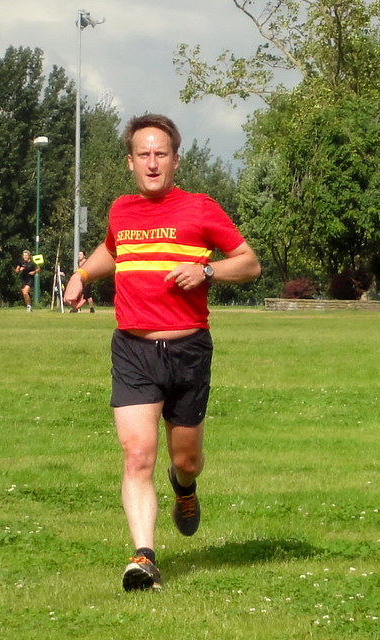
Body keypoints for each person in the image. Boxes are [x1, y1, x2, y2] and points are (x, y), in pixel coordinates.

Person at [64, 114, 261, 591]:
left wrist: (208, 272)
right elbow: (115, 251)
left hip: (189, 348)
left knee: (186, 458)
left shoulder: (200, 209)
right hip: (132, 348)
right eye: (143, 154)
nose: (152, 163)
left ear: (175, 159)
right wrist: (83, 275)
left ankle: (186, 488)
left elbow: (249, 263)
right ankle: (144, 557)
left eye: (161, 154)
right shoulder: (121, 210)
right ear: (130, 162)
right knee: (136, 455)